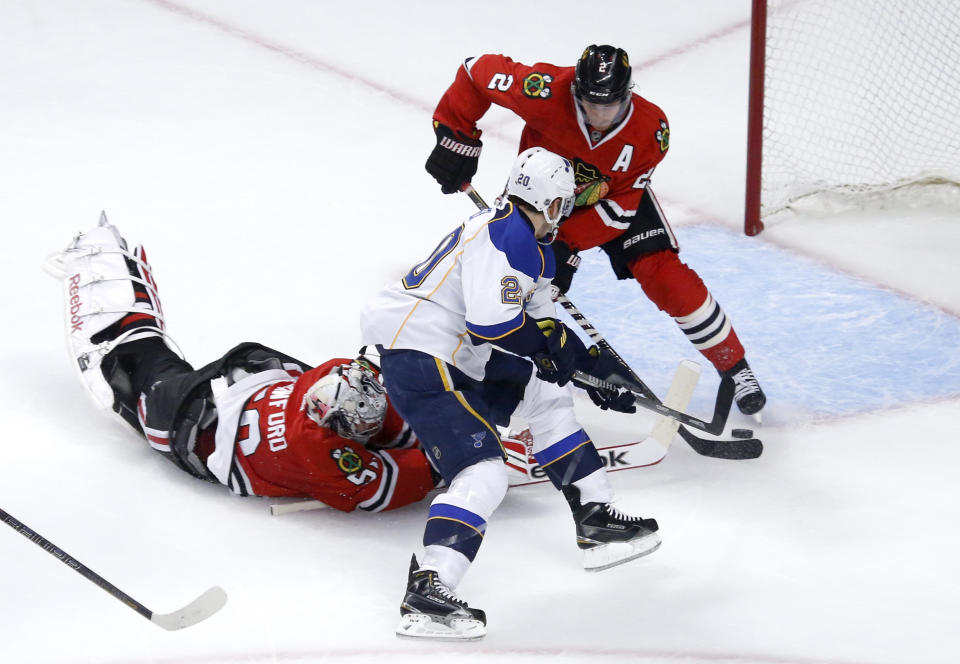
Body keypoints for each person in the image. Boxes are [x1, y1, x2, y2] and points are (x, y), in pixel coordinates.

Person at [361, 148, 661, 641]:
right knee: (484, 472)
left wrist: (592, 368)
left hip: (454, 351)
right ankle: (429, 589)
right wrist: (551, 344)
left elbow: (540, 322)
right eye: (562, 205)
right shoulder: (504, 237)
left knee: (546, 394)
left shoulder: (525, 242)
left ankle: (596, 518)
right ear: (548, 202)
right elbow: (495, 323)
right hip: (420, 352)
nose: (563, 217)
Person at [424, 44, 766, 417]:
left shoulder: (651, 131)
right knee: (510, 290)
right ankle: (503, 389)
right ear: (576, 92)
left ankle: (736, 368)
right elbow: (477, 72)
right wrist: (457, 136)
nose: (600, 115)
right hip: (539, 199)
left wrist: (567, 245)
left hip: (614, 202)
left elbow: (620, 210)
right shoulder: (545, 89)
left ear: (628, 94)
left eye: (611, 105)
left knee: (666, 277)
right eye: (591, 104)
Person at [48, 215, 438, 513]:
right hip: (193, 429)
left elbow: (386, 414)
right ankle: (119, 327)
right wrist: (448, 456)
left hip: (238, 387)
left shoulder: (337, 375)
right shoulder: (325, 454)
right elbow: (384, 484)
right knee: (140, 365)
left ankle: (132, 318)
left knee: (165, 363)